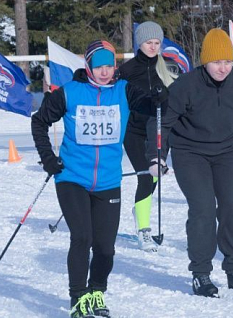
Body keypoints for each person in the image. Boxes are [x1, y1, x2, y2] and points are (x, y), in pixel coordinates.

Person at [149, 28, 233, 297]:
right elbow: (162, 123)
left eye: (228, 61)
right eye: (217, 62)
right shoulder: (186, 85)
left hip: (227, 152)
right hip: (190, 153)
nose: (223, 68)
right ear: (205, 61)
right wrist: (157, 155)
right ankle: (201, 273)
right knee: (204, 209)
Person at [31, 40, 152, 318]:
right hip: (72, 177)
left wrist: (159, 97)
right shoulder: (70, 92)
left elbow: (149, 105)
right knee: (82, 237)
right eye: (99, 67)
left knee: (106, 248)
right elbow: (39, 122)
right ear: (88, 66)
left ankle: (97, 291)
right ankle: (78, 297)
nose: (104, 72)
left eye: (109, 66)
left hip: (108, 181)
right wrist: (48, 158)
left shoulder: (123, 90)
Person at [119, 21, 177, 249]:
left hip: (160, 130)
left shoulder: (169, 67)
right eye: (148, 42)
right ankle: (144, 230)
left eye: (156, 43)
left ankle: (140, 210)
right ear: (139, 43)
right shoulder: (127, 70)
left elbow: (180, 97)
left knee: (155, 176)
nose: (153, 47)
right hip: (133, 131)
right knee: (145, 176)